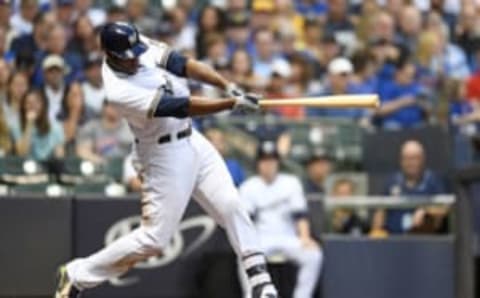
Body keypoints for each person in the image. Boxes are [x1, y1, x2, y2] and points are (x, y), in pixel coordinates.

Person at [54, 22, 278, 298]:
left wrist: (228, 86)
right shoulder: (118, 90)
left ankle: (260, 283)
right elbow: (180, 107)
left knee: (231, 204)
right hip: (162, 156)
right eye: (129, 56)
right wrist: (229, 105)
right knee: (154, 239)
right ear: (111, 55)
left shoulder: (136, 45)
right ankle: (78, 274)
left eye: (136, 51)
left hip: (192, 139)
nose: (136, 57)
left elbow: (183, 64)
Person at [240, 141, 323, 298]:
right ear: (258, 163)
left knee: (314, 255)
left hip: (288, 237)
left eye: (272, 160)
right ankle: (251, 295)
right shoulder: (249, 186)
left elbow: (300, 215)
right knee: (245, 256)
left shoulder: (291, 183)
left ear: (278, 162)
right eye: (264, 160)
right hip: (261, 238)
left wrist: (304, 238)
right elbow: (246, 222)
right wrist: (248, 244)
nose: (268, 164)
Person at [374, 140, 448, 234]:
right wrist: (376, 233)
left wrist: (426, 211)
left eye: (415, 158)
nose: (411, 163)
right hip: (393, 240)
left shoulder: (433, 181)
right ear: (401, 160)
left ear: (422, 159)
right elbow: (380, 211)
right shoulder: (392, 181)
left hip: (424, 241)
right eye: (407, 158)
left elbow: (444, 208)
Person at [11, 89, 64, 161]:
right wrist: (29, 124)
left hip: (50, 168)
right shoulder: (16, 127)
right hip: (26, 168)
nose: (32, 106)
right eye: (28, 103)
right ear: (23, 107)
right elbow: (22, 153)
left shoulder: (56, 127)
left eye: (36, 102)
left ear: (43, 105)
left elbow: (59, 156)